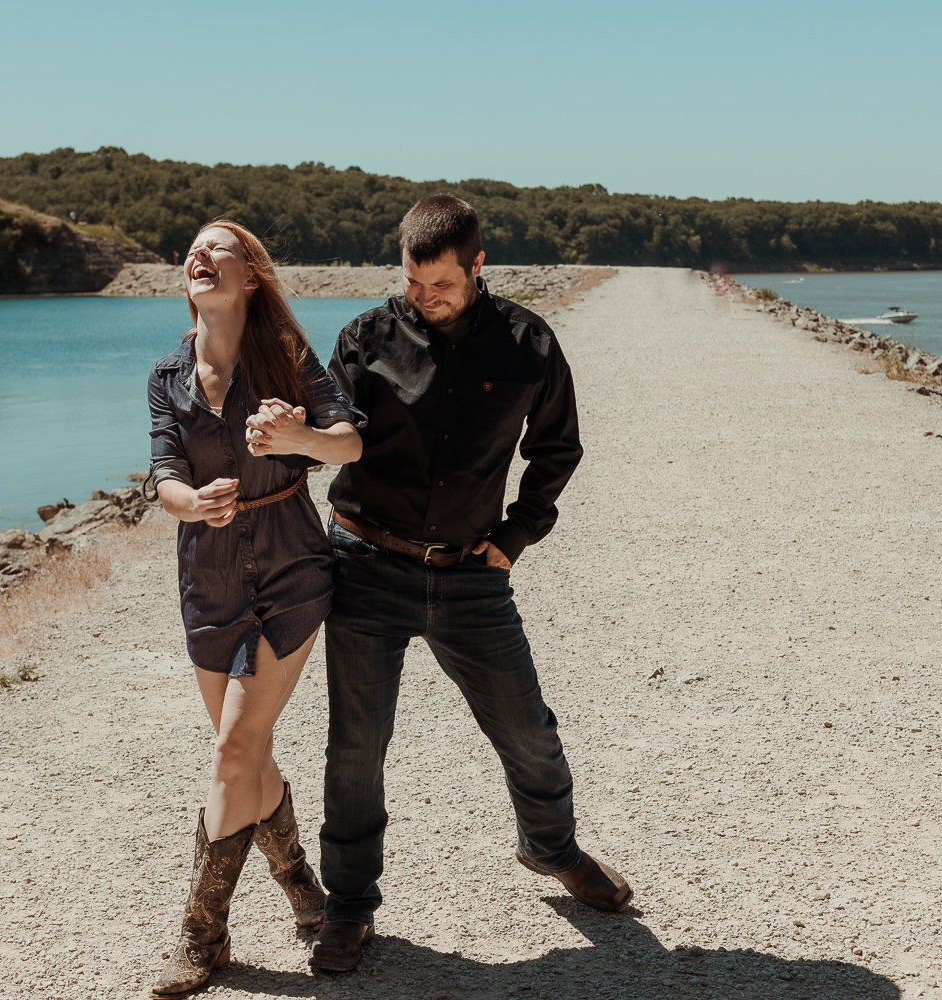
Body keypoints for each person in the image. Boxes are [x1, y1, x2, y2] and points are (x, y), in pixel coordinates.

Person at [310, 194, 632, 972]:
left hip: (470, 576)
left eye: (442, 284)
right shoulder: (365, 338)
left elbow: (559, 449)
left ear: (478, 266)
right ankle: (349, 907)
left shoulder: (528, 343)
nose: (425, 298)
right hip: (364, 563)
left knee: (528, 730)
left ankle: (551, 848)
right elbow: (328, 432)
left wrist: (517, 535)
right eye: (415, 283)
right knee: (357, 749)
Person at [145, 220, 365, 996]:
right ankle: (306, 889)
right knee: (251, 756)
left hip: (289, 568)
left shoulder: (288, 357)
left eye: (219, 250)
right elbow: (162, 473)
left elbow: (348, 444)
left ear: (250, 278)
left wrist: (300, 434)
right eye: (194, 251)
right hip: (207, 578)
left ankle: (201, 936)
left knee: (232, 753)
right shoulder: (168, 374)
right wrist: (189, 503)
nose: (199, 257)